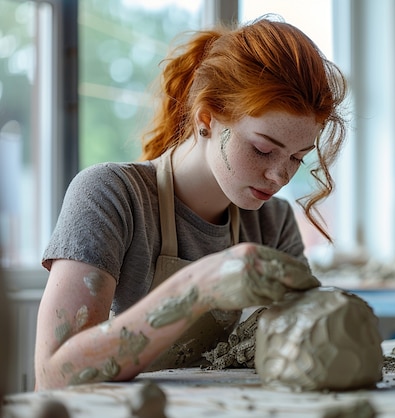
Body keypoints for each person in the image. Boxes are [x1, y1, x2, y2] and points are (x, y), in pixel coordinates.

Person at [34, 16, 348, 390]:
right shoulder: (110, 195)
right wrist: (197, 286)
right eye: (263, 149)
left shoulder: (272, 221)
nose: (279, 177)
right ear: (206, 119)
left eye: (297, 158)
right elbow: (54, 375)